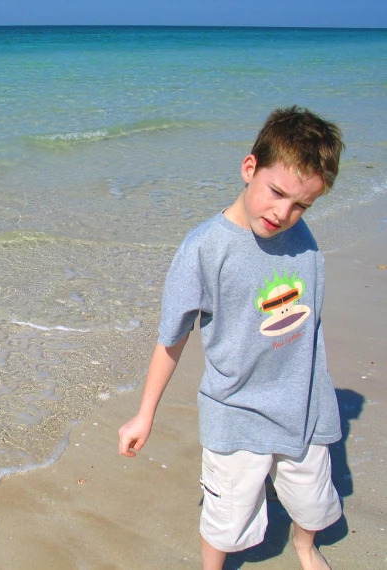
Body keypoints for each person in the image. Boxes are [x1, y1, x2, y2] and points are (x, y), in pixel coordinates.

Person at [118, 106, 345, 570]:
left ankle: (305, 547)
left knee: (313, 500)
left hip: (304, 405)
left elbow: (309, 324)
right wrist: (145, 414)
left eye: (302, 204)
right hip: (235, 410)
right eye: (276, 193)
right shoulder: (204, 248)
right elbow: (172, 336)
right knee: (227, 515)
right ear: (249, 168)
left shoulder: (304, 240)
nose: (284, 213)